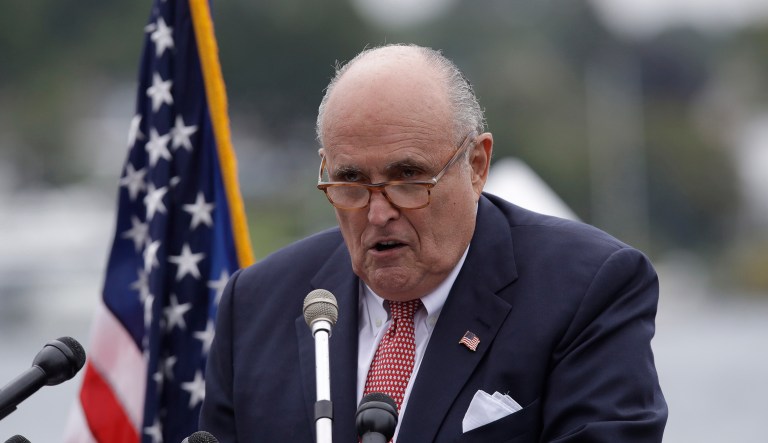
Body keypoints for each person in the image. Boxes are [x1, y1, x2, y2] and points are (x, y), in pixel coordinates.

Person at [200, 44, 667, 442]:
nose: (378, 212)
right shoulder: (256, 304)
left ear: (477, 165)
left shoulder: (586, 288)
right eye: (351, 181)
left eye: (408, 178)